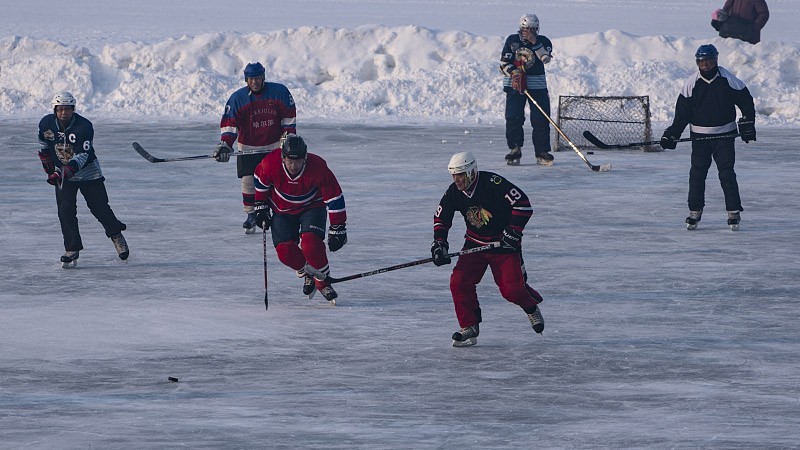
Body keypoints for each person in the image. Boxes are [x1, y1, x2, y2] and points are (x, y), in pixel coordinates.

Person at [432, 151, 544, 347]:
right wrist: (440, 243)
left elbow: (523, 205)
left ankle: (530, 307)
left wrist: (513, 232)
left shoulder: (493, 183)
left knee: (512, 290)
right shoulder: (454, 192)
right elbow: (442, 217)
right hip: (474, 244)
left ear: (472, 172)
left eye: (460, 175)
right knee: (458, 282)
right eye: (453, 175)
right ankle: (469, 327)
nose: (456, 180)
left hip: (503, 245)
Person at [660, 44, 756, 231]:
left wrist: (747, 124)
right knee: (697, 175)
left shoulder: (728, 79)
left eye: (709, 61)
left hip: (724, 136)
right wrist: (672, 134)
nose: (705, 65)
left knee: (726, 174)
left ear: (716, 61)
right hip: (700, 138)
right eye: (702, 61)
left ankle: (733, 211)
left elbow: (746, 101)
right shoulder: (691, 83)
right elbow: (682, 114)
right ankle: (695, 211)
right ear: (697, 62)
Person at [37, 92, 129, 268]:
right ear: (55, 110)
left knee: (100, 208)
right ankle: (72, 249)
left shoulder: (84, 126)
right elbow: (42, 143)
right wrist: (47, 164)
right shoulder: (46, 123)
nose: (64, 112)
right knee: (65, 211)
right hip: (64, 176)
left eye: (68, 109)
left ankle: (116, 234)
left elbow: (83, 155)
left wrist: (65, 171)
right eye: (61, 109)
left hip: (88, 174)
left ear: (73, 109)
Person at [252, 135, 347, 304]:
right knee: (285, 252)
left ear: (305, 158)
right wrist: (260, 206)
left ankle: (323, 282)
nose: (294, 166)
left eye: (298, 161)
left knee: (311, 245)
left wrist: (338, 227)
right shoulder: (270, 164)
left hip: (312, 207)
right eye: (289, 161)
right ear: (283, 157)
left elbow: (334, 197)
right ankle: (308, 272)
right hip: (282, 210)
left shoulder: (318, 167)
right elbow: (260, 182)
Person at [213, 62, 297, 234]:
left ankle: (278, 211)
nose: (255, 82)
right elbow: (230, 123)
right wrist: (226, 144)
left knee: (276, 181)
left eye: (257, 78)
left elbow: (288, 116)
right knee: (248, 181)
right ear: (246, 79)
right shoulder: (238, 98)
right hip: (248, 146)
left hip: (274, 145)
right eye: (251, 79)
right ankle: (251, 215)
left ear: (263, 77)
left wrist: (288, 136)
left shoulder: (279, 92)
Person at [499, 13, 555, 166]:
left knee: (541, 119)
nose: (530, 32)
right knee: (513, 117)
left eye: (534, 29)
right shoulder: (512, 40)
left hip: (537, 86)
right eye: (527, 29)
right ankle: (514, 149)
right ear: (521, 28)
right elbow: (503, 63)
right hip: (515, 86)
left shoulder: (544, 41)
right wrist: (514, 72)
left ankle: (542, 151)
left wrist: (534, 42)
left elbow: (545, 58)